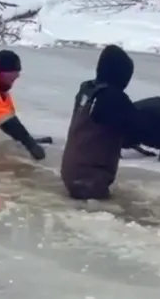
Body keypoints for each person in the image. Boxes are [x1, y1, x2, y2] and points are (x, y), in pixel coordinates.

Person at [60, 44, 139, 200]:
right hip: (89, 179)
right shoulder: (113, 97)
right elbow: (136, 129)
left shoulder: (88, 89)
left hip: (72, 171)